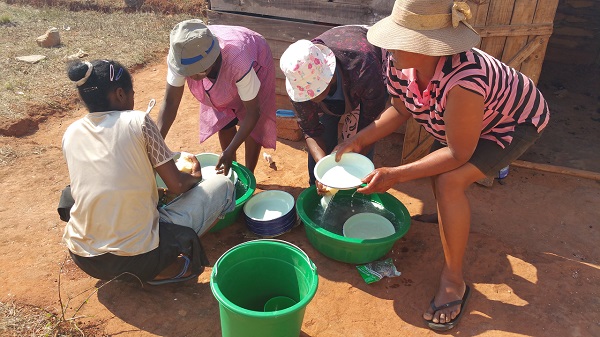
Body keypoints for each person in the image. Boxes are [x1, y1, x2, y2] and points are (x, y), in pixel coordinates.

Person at [334, 0, 550, 331]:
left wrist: (396, 174)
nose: (391, 47)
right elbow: (400, 109)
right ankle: (448, 216)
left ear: (430, 48)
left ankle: (453, 281)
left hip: (510, 121)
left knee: (450, 181)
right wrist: (360, 139)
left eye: (401, 40)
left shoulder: (464, 81)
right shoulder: (398, 63)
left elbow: (459, 153)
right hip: (460, 124)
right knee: (441, 180)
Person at [60, 59, 235, 286]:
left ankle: (133, 262)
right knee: (223, 185)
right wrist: (195, 177)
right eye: (132, 93)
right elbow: (178, 186)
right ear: (121, 94)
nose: (133, 99)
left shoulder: (71, 133)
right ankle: (163, 269)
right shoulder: (138, 120)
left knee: (70, 192)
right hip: (138, 259)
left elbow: (112, 181)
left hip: (85, 258)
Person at [157, 19, 277, 175]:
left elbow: (253, 112)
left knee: (253, 125)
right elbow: (170, 103)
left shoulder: (238, 61)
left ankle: (248, 174)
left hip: (255, 57)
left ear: (209, 64)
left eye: (194, 72)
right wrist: (155, 149)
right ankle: (232, 171)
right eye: (187, 72)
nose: (190, 77)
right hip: (226, 64)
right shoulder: (182, 54)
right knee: (223, 118)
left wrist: (230, 148)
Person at [279, 25, 389, 187]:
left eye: (315, 91)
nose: (311, 98)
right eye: (306, 94)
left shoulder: (364, 68)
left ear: (329, 76)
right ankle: (315, 186)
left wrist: (346, 179)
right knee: (324, 134)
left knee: (359, 142)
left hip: (365, 69)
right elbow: (311, 130)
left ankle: (356, 190)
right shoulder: (298, 76)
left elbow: (370, 128)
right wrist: (324, 169)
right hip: (346, 71)